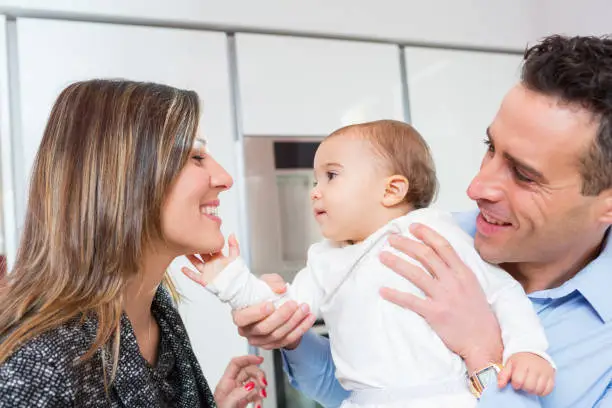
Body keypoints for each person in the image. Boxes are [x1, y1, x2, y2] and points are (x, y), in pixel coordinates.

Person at [229, 34, 612, 408]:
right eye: (490, 148)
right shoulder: (418, 239)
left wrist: (483, 352)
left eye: (525, 175)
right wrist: (290, 334)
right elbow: (353, 389)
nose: (476, 187)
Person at [183, 120, 555, 407]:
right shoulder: (324, 259)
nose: (315, 190)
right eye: (315, 179)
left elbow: (503, 292)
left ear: (391, 190)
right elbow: (283, 313)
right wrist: (231, 281)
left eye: (331, 175)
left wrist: (527, 350)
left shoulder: (436, 232)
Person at [0, 80, 267, 408]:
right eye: (196, 156)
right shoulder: (37, 371)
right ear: (124, 178)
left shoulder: (158, 312)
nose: (225, 178)